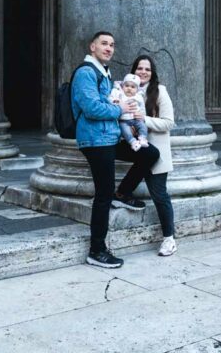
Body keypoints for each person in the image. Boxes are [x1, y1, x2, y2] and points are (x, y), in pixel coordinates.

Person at [71, 31, 160, 268]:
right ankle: (97, 250)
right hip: (95, 140)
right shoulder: (86, 73)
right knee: (102, 194)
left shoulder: (105, 73)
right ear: (92, 47)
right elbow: (92, 109)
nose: (109, 48)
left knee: (150, 153)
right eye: (104, 44)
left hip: (109, 137)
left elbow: (111, 103)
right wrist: (120, 109)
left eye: (112, 44)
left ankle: (122, 193)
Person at [117, 55, 178, 256]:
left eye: (147, 69)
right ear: (133, 71)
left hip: (156, 151)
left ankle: (169, 239)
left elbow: (169, 123)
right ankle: (121, 192)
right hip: (135, 147)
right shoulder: (125, 90)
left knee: (159, 196)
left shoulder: (159, 91)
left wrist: (145, 119)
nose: (143, 72)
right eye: (139, 68)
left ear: (153, 73)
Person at [109, 73, 149, 151]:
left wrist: (142, 116)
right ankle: (133, 142)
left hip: (136, 119)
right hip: (124, 120)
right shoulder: (119, 94)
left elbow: (142, 108)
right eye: (126, 86)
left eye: (132, 87)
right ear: (122, 86)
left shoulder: (138, 97)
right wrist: (115, 101)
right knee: (125, 131)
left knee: (143, 127)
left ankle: (142, 138)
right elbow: (110, 99)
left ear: (137, 89)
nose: (129, 88)